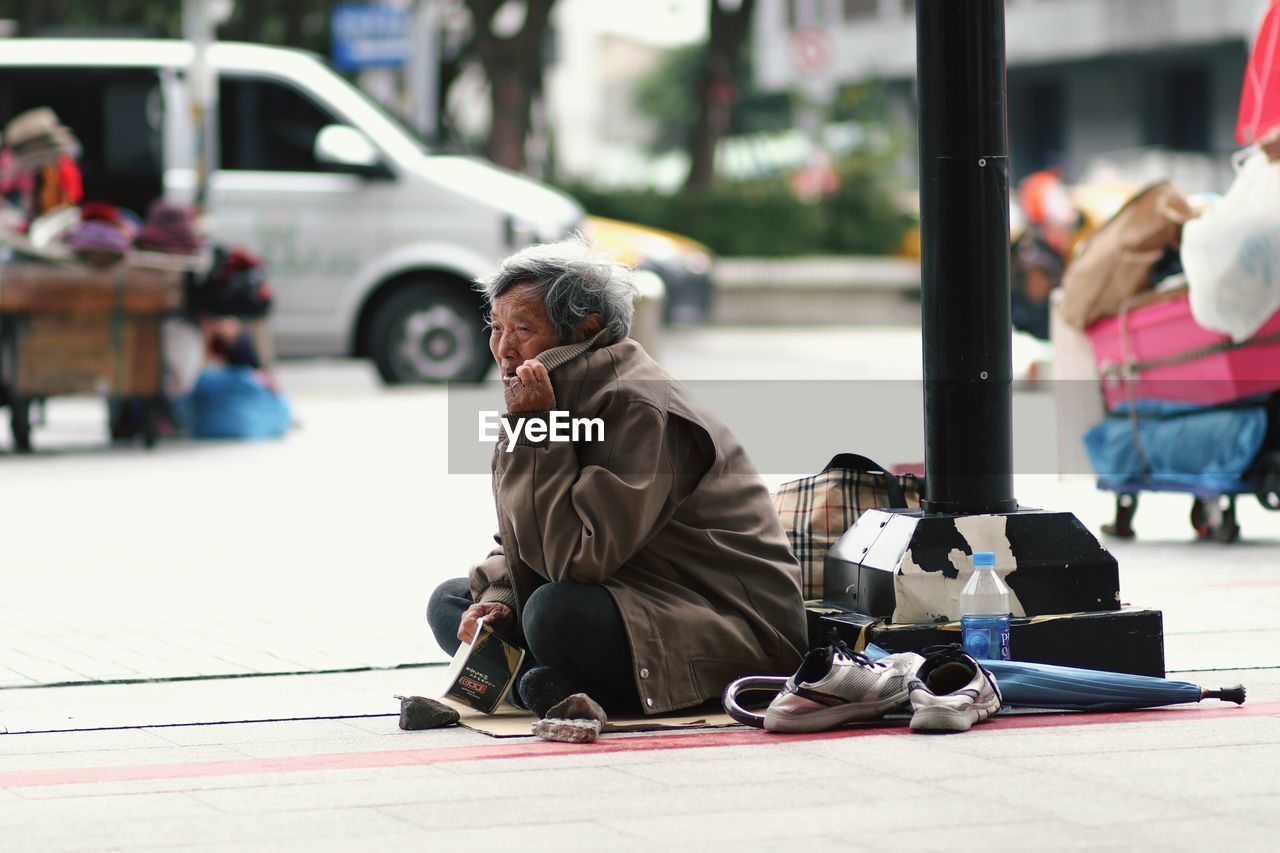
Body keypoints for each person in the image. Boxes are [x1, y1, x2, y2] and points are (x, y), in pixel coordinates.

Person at [427, 238, 807, 717]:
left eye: (523, 328)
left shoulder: (635, 405)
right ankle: (546, 685)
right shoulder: (556, 393)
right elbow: (522, 535)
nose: (503, 349)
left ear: (586, 329)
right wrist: (500, 598)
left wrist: (535, 431)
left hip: (728, 623)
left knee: (552, 613)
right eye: (496, 327)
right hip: (632, 593)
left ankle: (540, 684)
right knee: (452, 602)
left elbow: (580, 559)